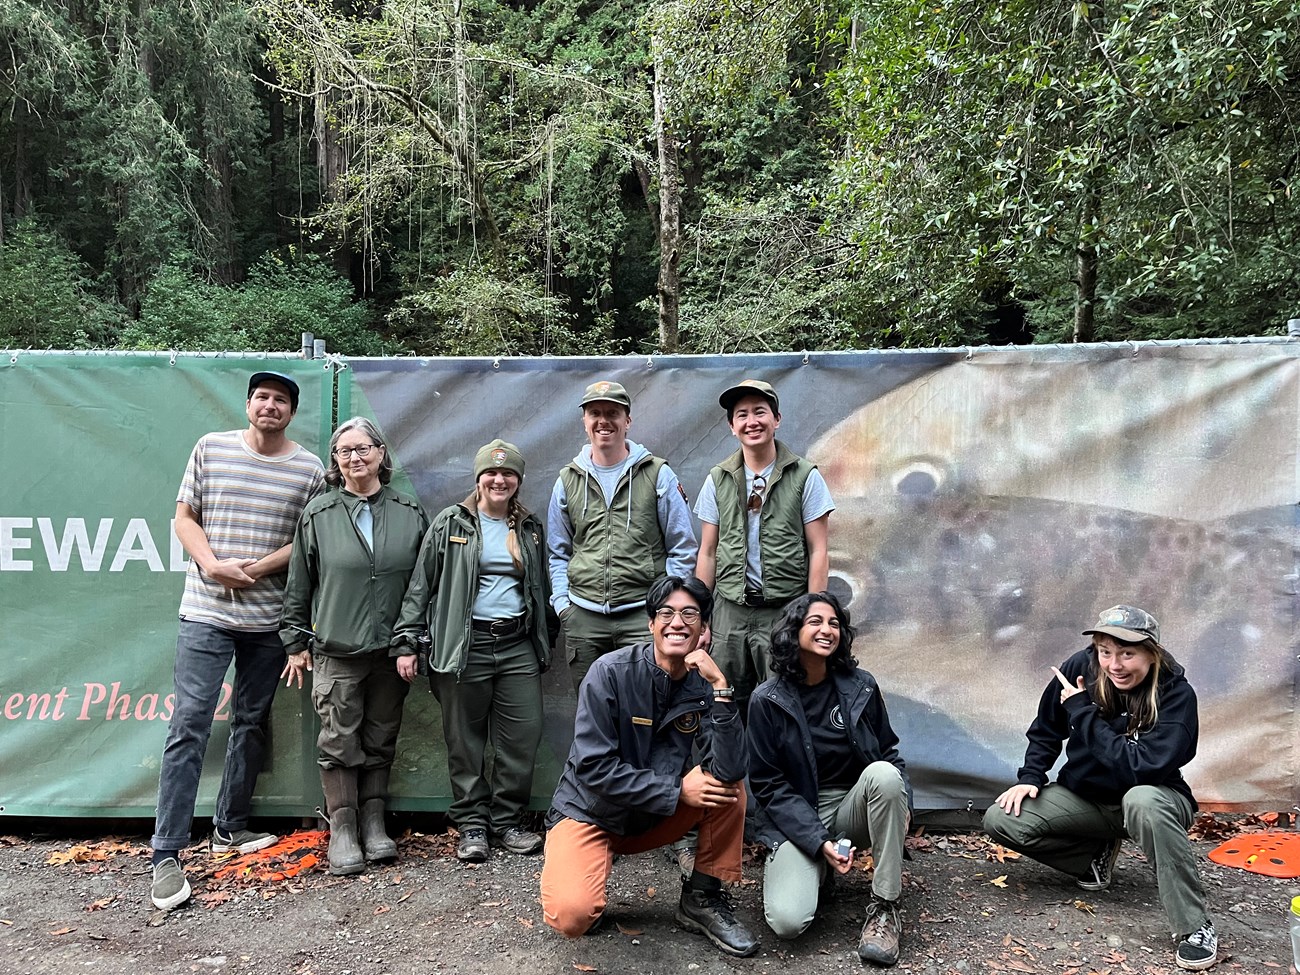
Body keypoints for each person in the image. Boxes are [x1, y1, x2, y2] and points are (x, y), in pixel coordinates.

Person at [149, 371, 325, 911]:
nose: (270, 406)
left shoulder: (310, 468)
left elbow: (306, 541)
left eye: (280, 400)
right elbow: (184, 518)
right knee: (191, 721)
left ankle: (230, 827)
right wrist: (211, 566)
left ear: (291, 412)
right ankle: (166, 855)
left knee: (251, 720)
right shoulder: (211, 449)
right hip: (204, 614)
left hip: (268, 622)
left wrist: (253, 569)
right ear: (249, 404)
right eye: (262, 397)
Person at [983, 605, 1217, 972]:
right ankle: (1093, 857)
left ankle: (1194, 927)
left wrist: (1083, 713)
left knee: (1142, 800)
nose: (1115, 665)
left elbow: (1141, 768)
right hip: (1087, 798)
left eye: (1127, 653)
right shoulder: (1081, 668)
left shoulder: (1176, 694)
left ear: (1151, 653)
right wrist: (1030, 777)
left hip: (1155, 799)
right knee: (1002, 818)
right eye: (1106, 652)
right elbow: (1046, 728)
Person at [539, 575, 759, 958]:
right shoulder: (610, 672)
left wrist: (722, 689)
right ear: (651, 624)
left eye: (690, 614)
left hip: (651, 817)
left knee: (729, 788)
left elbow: (730, 768)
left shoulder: (705, 683)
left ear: (704, 629)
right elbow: (593, 767)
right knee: (572, 916)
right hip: (590, 814)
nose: (678, 622)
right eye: (667, 613)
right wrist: (676, 791)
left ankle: (701, 898)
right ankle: (588, 860)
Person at [280, 417, 428, 875]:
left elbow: (422, 586)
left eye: (363, 448)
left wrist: (409, 639)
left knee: (381, 735)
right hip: (337, 649)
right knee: (338, 738)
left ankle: (374, 823)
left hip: (392, 650)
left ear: (381, 455)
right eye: (345, 451)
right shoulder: (319, 514)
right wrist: (294, 640)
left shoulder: (409, 512)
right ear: (335, 462)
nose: (355, 458)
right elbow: (299, 582)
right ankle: (342, 830)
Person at [392, 440, 552, 862]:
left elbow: (542, 590)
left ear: (517, 481)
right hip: (465, 646)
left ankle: (507, 822)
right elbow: (420, 587)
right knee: (464, 740)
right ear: (478, 478)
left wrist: (542, 638)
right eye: (491, 473)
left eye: (508, 474)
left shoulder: (530, 528)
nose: (499, 480)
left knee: (523, 735)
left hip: (516, 645)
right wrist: (407, 640)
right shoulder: (451, 522)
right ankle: (473, 826)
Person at [748, 591, 911, 966]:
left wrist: (905, 806)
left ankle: (885, 907)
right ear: (793, 631)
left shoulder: (861, 686)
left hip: (854, 804)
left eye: (834, 623)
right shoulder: (766, 700)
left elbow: (889, 754)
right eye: (816, 622)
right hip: (796, 814)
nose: (827, 630)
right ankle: (820, 867)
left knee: (885, 776)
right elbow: (768, 785)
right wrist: (818, 841)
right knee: (788, 921)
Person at [695, 379, 834, 717]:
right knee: (724, 701)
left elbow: (818, 550)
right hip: (730, 613)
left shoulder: (804, 476)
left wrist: (811, 618)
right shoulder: (719, 478)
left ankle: (780, 772)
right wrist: (701, 618)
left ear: (777, 419)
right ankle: (728, 770)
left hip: (783, 610)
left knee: (785, 702)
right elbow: (708, 552)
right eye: (741, 415)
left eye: (760, 412)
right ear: (732, 427)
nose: (751, 421)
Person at [547, 380, 696, 690]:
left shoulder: (657, 475)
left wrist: (665, 609)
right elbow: (558, 552)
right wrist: (564, 605)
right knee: (593, 712)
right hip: (583, 618)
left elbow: (682, 548)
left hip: (642, 618)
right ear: (584, 422)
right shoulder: (567, 480)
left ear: (627, 421)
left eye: (613, 413)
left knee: (647, 706)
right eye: (595, 413)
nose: (604, 421)